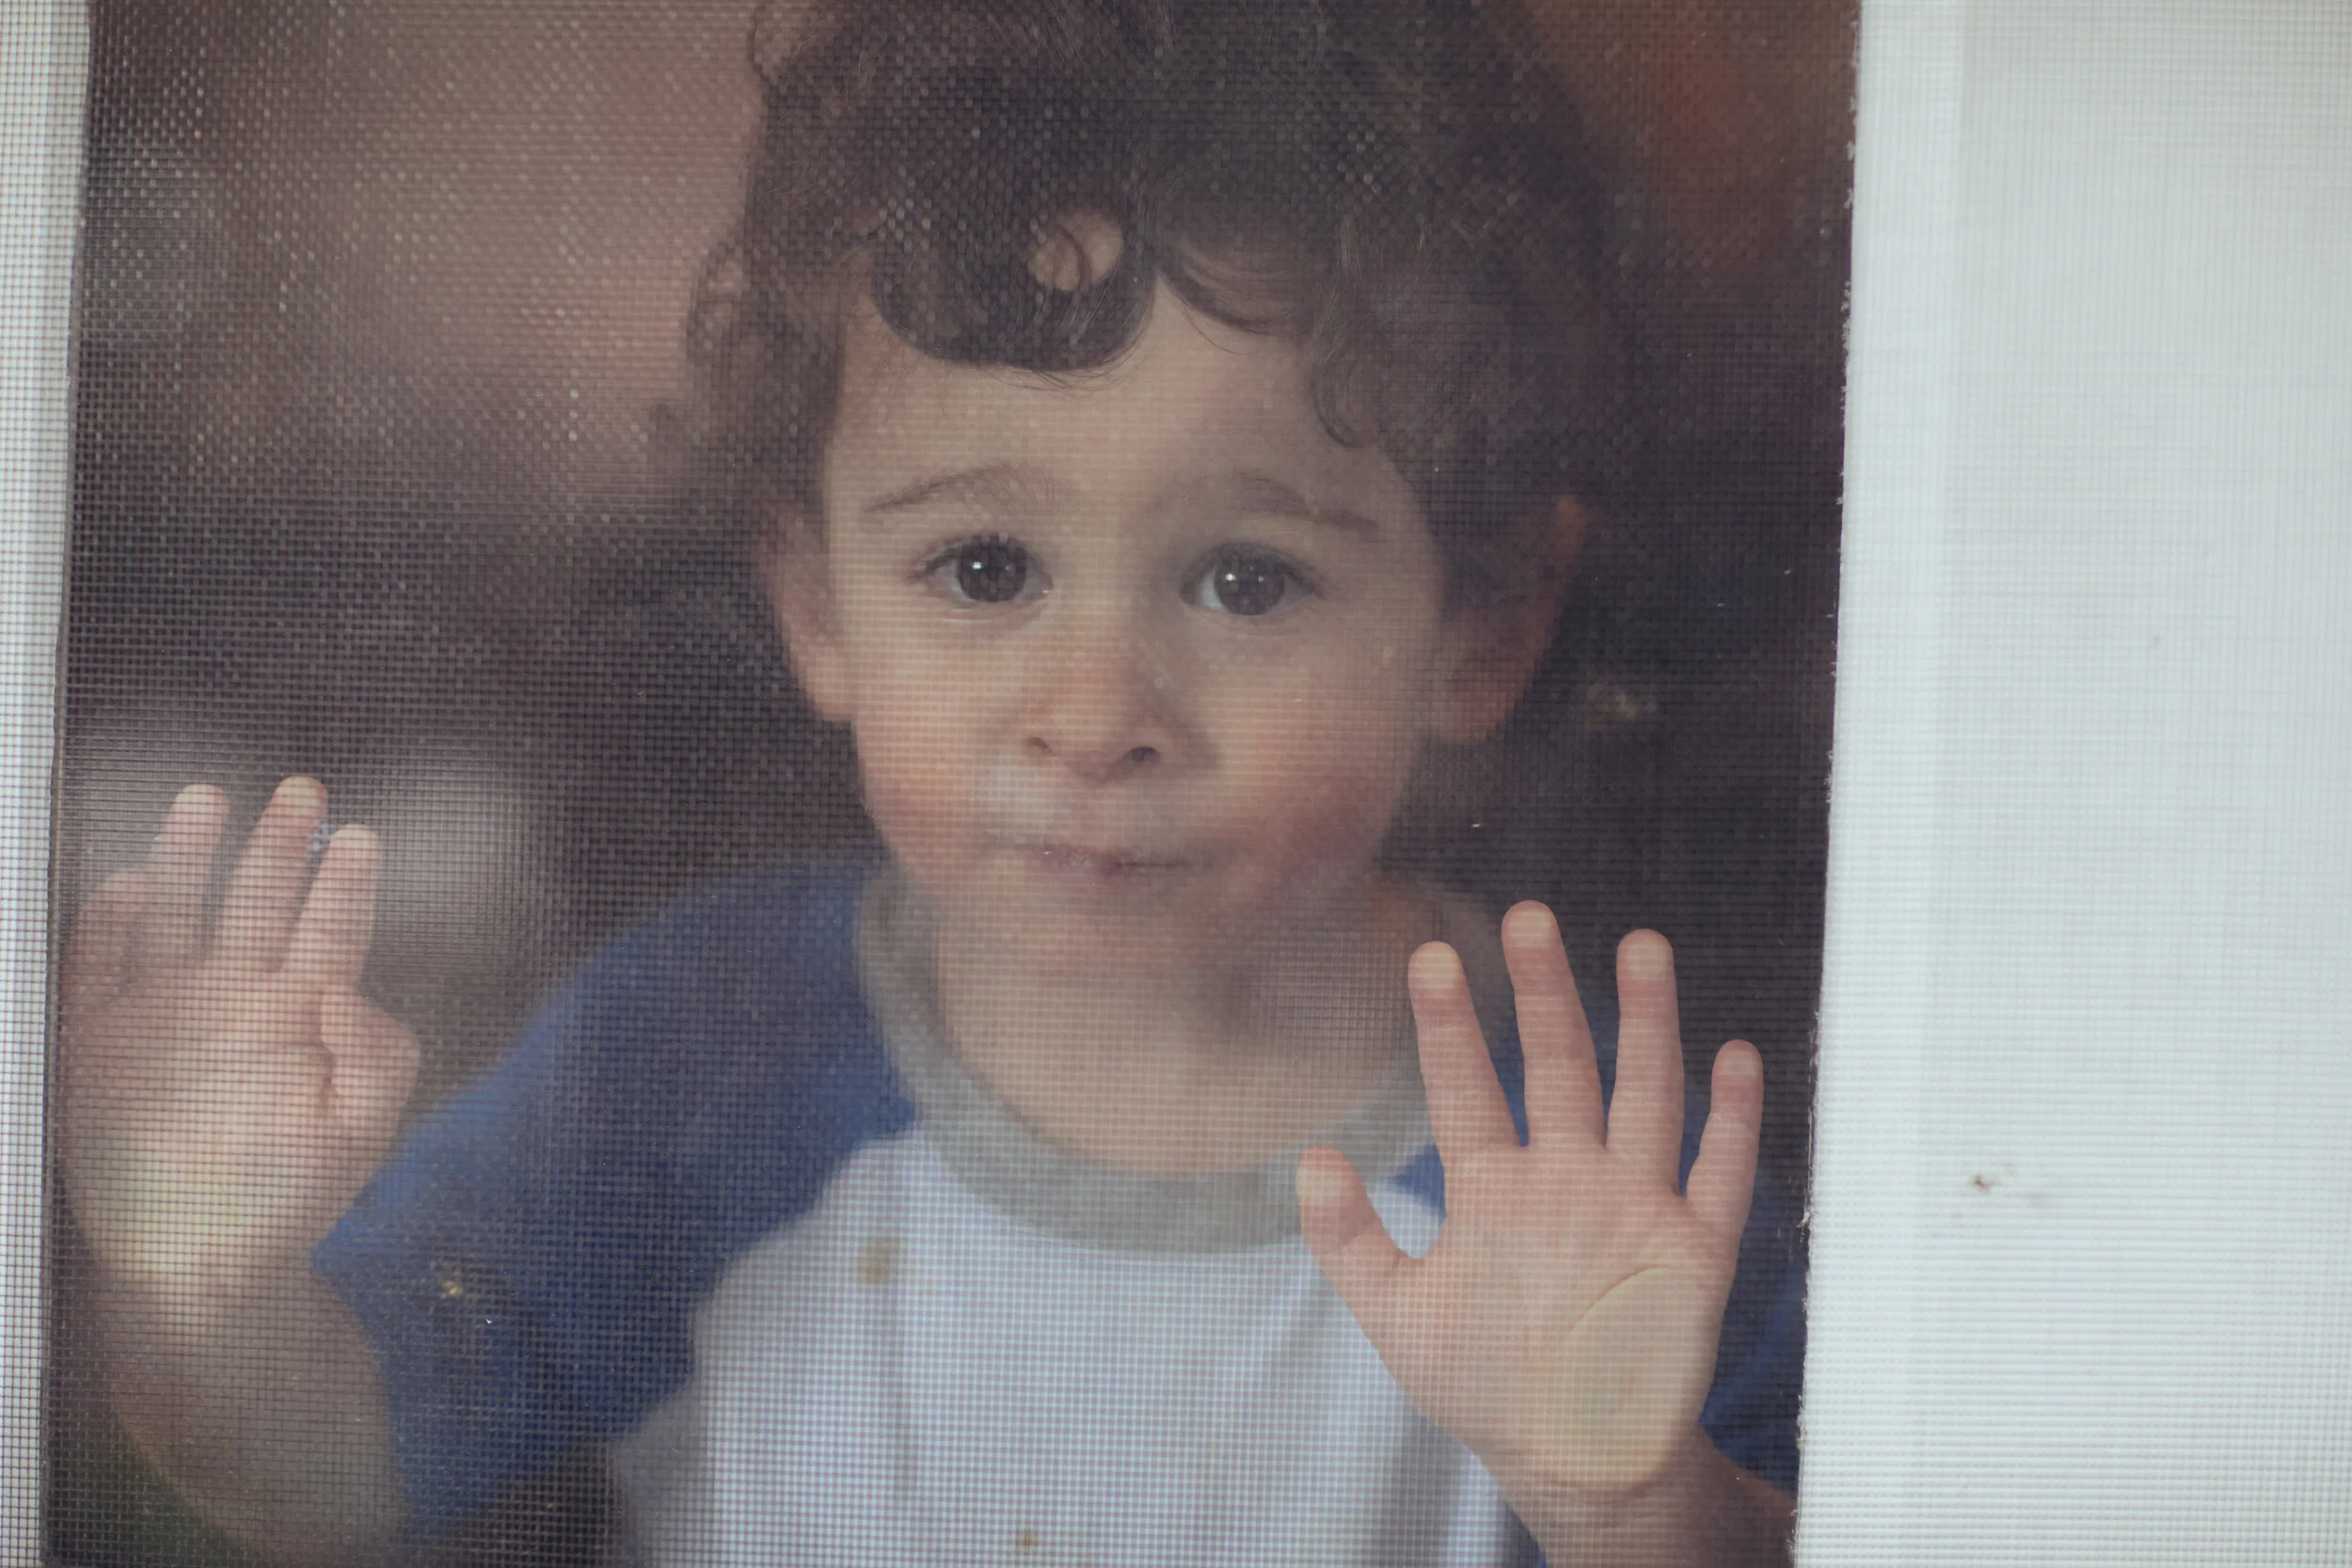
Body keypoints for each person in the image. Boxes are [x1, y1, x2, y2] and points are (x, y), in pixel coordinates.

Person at [56, 0, 1804, 1562]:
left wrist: (1631, 1504)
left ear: (1481, 626)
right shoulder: (694, 1059)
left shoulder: (1585, 1137)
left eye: (1246, 578)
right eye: (984, 568)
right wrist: (205, 1280)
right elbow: (334, 1478)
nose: (1095, 714)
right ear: (818, 606)